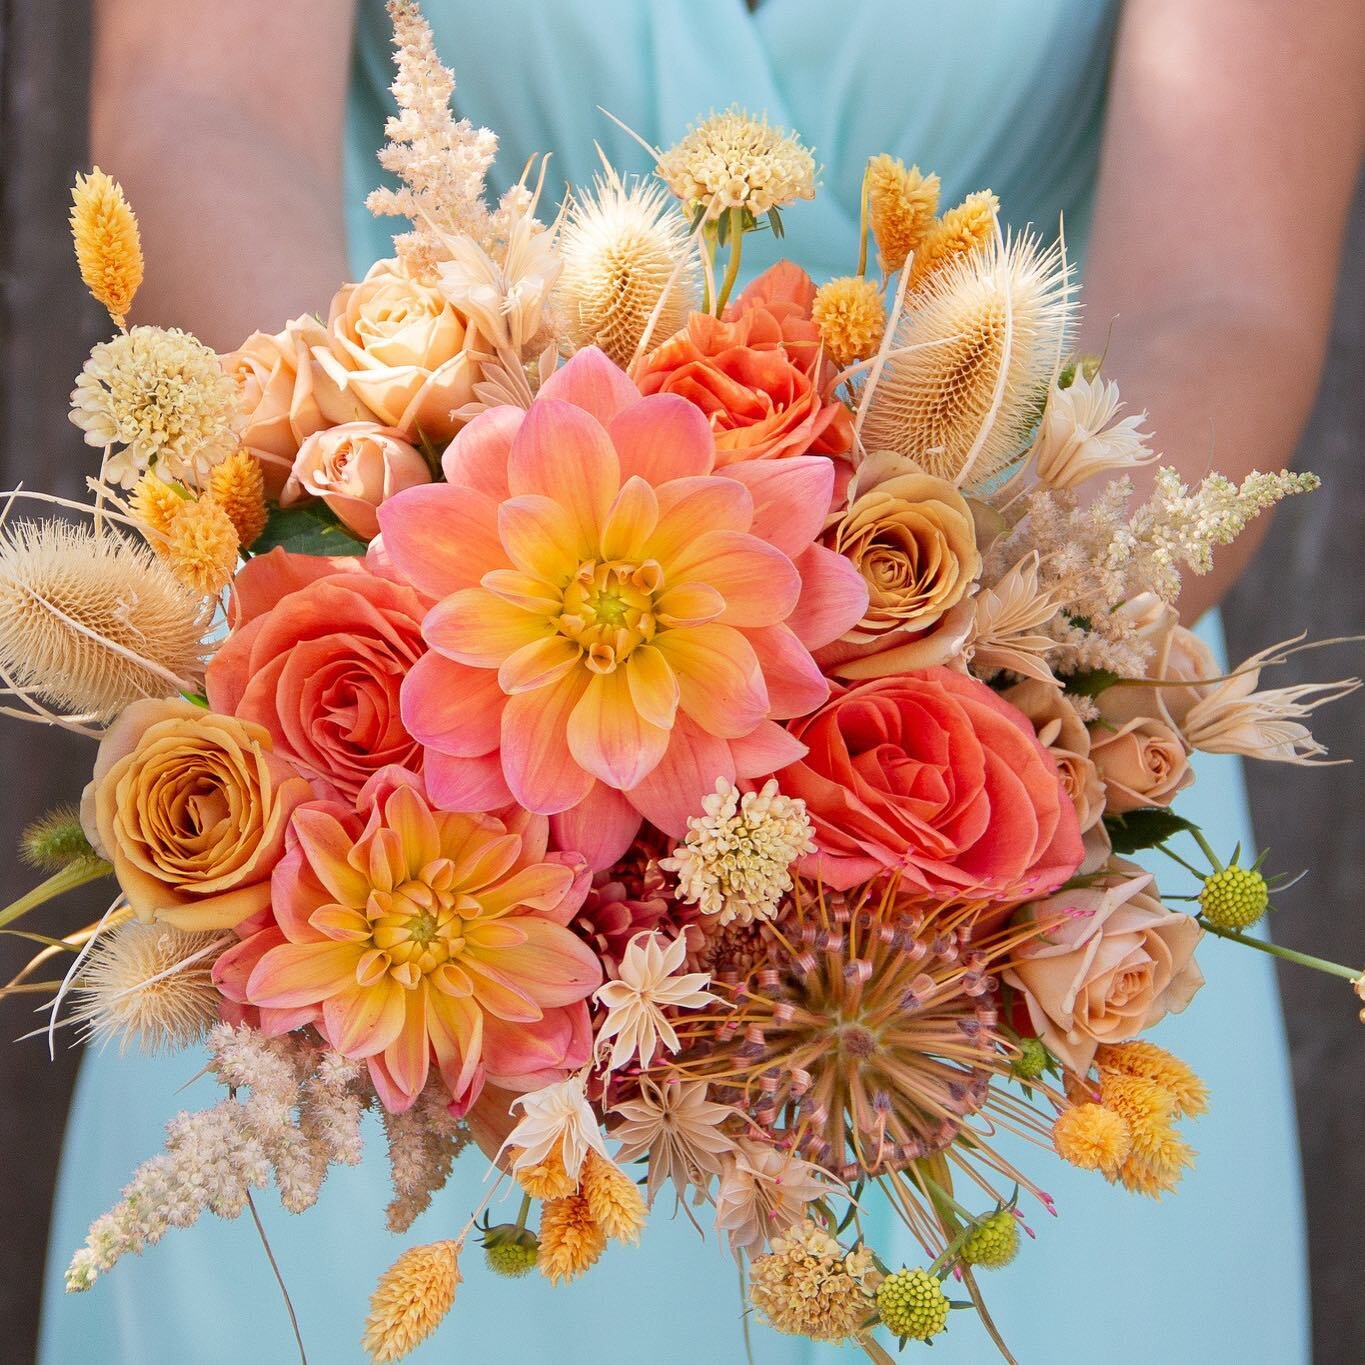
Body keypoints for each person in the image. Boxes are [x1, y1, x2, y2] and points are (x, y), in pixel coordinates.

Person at [41, 2, 1364, 1362]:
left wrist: (924, 670)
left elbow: (1222, 294)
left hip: (992, 746)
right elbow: (204, 110)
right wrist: (431, 569)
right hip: (403, 784)